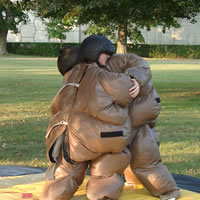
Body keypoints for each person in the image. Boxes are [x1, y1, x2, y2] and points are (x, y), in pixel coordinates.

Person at [78, 35, 180, 200]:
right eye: (105, 53)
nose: (109, 56)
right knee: (114, 157)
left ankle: (167, 192)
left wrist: (135, 79)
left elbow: (141, 65)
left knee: (145, 157)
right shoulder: (88, 73)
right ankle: (106, 193)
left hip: (136, 115)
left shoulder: (118, 62)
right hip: (117, 125)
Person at [40, 43, 144, 200]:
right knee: (106, 174)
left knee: (65, 174)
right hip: (104, 139)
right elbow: (126, 91)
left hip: (70, 140)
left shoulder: (68, 83)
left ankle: (52, 195)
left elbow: (55, 109)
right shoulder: (100, 75)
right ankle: (103, 194)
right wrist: (135, 80)